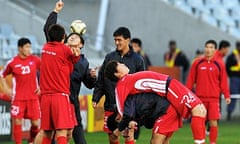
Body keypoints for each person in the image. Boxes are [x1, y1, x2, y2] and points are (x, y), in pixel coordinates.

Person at [104, 60, 207, 144]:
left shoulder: (128, 80)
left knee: (199, 111)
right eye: (120, 64)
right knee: (199, 110)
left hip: (168, 90)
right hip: (169, 88)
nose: (123, 64)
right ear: (117, 73)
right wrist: (117, 131)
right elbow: (122, 112)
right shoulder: (121, 85)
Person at [42, 1, 97, 143]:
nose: (71, 36)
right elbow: (49, 28)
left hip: (71, 101)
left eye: (75, 37)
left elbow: (90, 85)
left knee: (78, 139)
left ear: (81, 45)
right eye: (69, 36)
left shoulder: (83, 62)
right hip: (59, 97)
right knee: (53, 133)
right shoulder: (58, 48)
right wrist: (55, 11)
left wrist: (92, 77)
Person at [92, 27, 145, 144]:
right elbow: (101, 79)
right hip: (111, 104)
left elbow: (141, 85)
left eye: (119, 40)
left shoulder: (138, 60)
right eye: (115, 40)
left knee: (128, 135)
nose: (116, 43)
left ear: (128, 40)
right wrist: (96, 97)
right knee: (112, 137)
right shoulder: (109, 57)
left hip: (128, 106)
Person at [39, 23, 80, 144]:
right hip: (60, 96)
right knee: (62, 131)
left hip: (45, 97)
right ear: (63, 37)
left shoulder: (45, 48)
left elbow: (67, 67)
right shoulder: (64, 49)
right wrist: (76, 52)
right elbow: (74, 59)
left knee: (47, 131)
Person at [186, 40, 231, 144]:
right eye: (207, 47)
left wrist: (227, 95)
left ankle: (212, 142)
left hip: (214, 99)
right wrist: (186, 94)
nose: (208, 49)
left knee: (213, 122)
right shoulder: (197, 63)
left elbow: (223, 82)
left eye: (211, 47)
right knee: (199, 122)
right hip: (200, 99)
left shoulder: (220, 64)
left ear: (215, 50)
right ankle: (201, 141)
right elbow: (190, 80)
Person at [0, 37, 41, 144]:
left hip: (33, 97)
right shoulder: (12, 62)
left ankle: (31, 140)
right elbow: (2, 75)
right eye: (27, 47)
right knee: (17, 121)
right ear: (20, 48)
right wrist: (6, 88)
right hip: (18, 98)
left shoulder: (35, 59)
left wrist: (41, 86)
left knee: (36, 123)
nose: (29, 49)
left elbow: (45, 72)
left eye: (30, 47)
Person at [111, 92, 182, 144]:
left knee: (155, 142)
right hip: (170, 108)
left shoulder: (128, 106)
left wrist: (119, 130)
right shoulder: (133, 110)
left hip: (166, 110)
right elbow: (148, 123)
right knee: (164, 141)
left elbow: (132, 117)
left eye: (118, 120)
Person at [225, 41, 240, 121]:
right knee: (233, 96)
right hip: (235, 78)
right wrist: (231, 75)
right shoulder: (232, 56)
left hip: (236, 78)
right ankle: (229, 114)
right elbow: (227, 67)